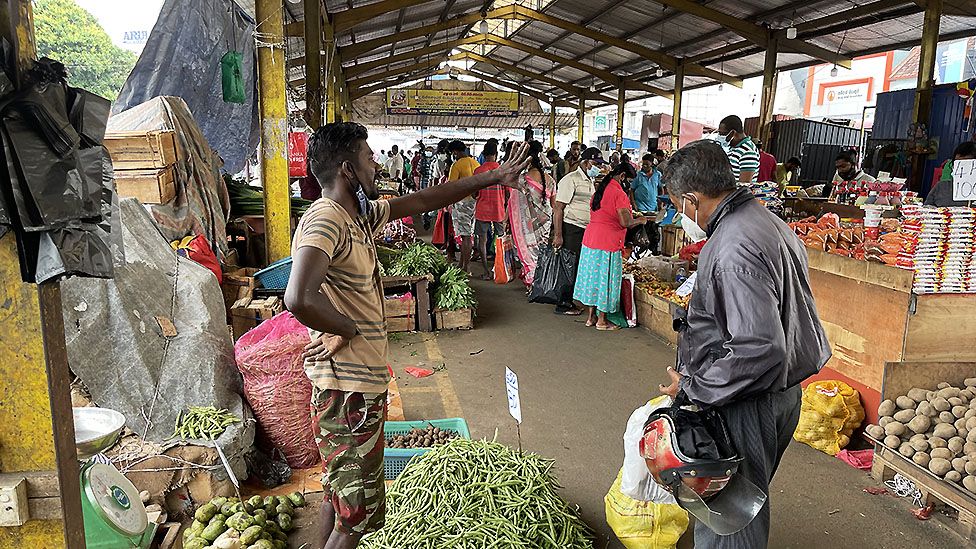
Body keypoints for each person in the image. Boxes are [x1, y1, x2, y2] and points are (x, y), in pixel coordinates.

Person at [285, 122, 530, 549]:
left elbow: (422, 199)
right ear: (347, 169)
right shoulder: (325, 218)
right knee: (356, 519)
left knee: (341, 495)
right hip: (347, 389)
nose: (375, 163)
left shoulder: (356, 215)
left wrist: (491, 176)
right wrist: (346, 328)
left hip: (357, 384)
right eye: (367, 157)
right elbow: (298, 296)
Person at [657, 140, 830, 549]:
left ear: (690, 199)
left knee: (730, 517)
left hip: (750, 400)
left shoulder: (733, 245)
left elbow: (757, 347)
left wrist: (695, 387)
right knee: (741, 500)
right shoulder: (768, 223)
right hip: (782, 393)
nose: (681, 214)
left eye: (679, 206)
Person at [573, 161, 647, 330]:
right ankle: (602, 320)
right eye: (628, 180)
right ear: (622, 177)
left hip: (590, 240)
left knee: (593, 278)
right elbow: (625, 222)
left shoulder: (600, 190)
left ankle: (591, 317)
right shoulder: (618, 193)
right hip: (608, 242)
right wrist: (641, 220)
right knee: (605, 280)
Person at [552, 147, 605, 315]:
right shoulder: (570, 180)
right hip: (571, 227)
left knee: (576, 266)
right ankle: (562, 304)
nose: (598, 167)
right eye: (596, 163)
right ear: (586, 162)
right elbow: (558, 208)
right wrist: (558, 235)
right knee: (568, 266)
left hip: (585, 228)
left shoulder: (590, 180)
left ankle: (570, 301)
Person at [474, 141, 506, 279]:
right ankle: (500, 271)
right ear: (496, 154)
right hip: (499, 210)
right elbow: (508, 193)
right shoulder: (502, 170)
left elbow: (474, 193)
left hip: (482, 210)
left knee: (482, 240)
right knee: (501, 240)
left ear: (483, 154)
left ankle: (487, 272)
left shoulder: (478, 171)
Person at [447, 140, 480, 273]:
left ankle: (466, 267)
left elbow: (451, 186)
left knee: (465, 236)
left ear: (455, 151)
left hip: (462, 203)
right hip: (475, 202)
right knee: (467, 234)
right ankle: (462, 263)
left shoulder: (457, 165)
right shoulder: (475, 163)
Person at [925, 141, 976, 207]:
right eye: (958, 164)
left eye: (967, 164)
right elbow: (927, 208)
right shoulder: (940, 187)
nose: (962, 169)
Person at [717, 115, 760, 184]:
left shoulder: (748, 151)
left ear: (733, 133)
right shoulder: (733, 147)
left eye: (723, 134)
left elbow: (744, 184)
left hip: (738, 194)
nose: (720, 137)